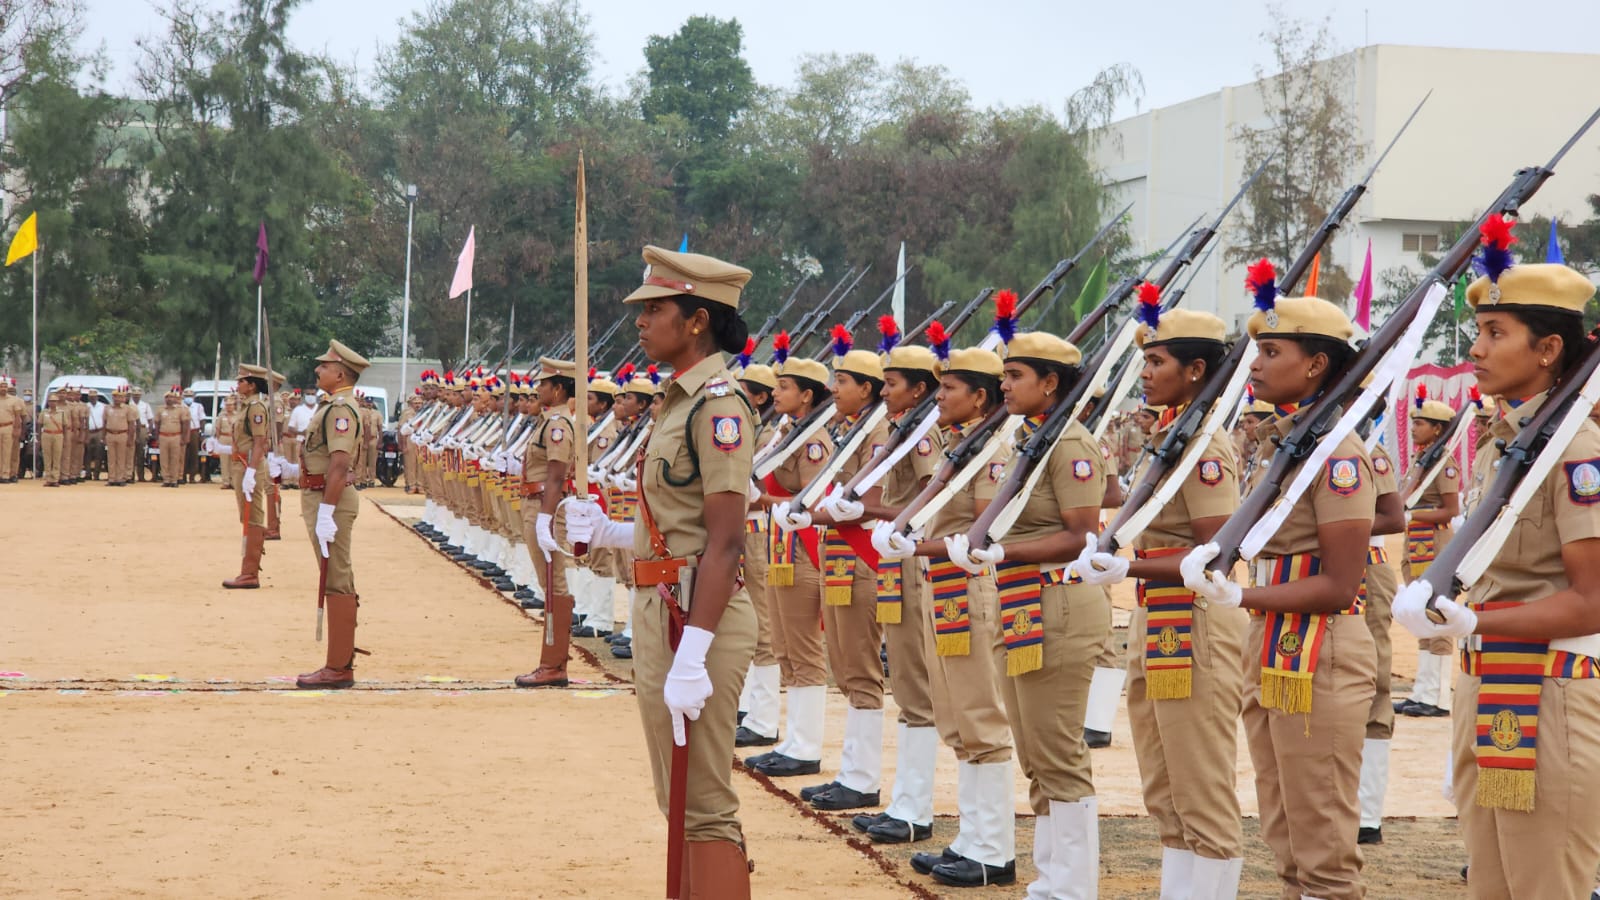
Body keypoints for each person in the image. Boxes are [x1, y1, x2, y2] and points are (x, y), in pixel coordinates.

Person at [1395, 258, 1600, 899]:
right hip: (1484, 681)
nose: (1476, 350)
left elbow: (1592, 602)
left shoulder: (1576, 451)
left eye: (1495, 332)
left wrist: (1479, 620)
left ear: (1549, 349)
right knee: (1491, 883)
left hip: (1550, 692)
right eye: (1478, 330)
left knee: (1543, 886)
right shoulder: (1499, 445)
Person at [565, 244, 760, 896]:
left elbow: (726, 542)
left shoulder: (718, 407)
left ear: (697, 319)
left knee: (702, 802)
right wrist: (608, 532)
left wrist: (695, 652)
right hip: (663, 606)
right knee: (674, 794)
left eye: (655, 309)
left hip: (695, 617)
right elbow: (673, 529)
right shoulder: (676, 403)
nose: (641, 322)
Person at [1182, 280, 1377, 900]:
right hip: (1273, 641)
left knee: (1320, 838)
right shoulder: (1288, 447)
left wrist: (1242, 598)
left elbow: (1341, 582)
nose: (1256, 364)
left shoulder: (1337, 456)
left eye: (1272, 352)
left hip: (1320, 647)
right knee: (1285, 830)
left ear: (1316, 364)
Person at [1074, 302, 1247, 897]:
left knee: (1201, 786)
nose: (1143, 372)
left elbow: (1215, 554)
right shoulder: (1170, 435)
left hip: (1195, 624)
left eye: (1156, 361)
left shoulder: (1205, 450)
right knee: (1165, 786)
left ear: (1196, 371)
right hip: (1158, 616)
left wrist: (1129, 563)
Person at [946, 331, 1111, 896]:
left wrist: (1005, 551)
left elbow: (1082, 535)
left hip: (1059, 601)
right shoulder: (1033, 440)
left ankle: (1073, 886)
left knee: (1058, 751)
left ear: (1051, 383)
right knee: (1036, 753)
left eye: (1015, 375)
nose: (1003, 384)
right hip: (1023, 601)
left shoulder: (1069, 446)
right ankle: (1051, 881)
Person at [874, 345, 1019, 885]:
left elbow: (986, 524)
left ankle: (994, 849)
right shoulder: (963, 445)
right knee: (957, 720)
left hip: (970, 587)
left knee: (980, 718)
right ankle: (972, 837)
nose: (939, 397)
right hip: (945, 587)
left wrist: (915, 542)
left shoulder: (993, 451)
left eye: (950, 388)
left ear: (979, 397)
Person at [823, 339, 942, 840]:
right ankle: (901, 800)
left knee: (916, 687)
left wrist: (867, 512)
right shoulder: (900, 429)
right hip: (894, 563)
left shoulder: (919, 437)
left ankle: (915, 807)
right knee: (905, 685)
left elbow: (937, 500)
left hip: (913, 564)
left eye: (893, 384)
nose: (886, 392)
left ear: (919, 389)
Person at [776, 337, 893, 813]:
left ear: (867, 388)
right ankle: (850, 772)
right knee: (844, 668)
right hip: (838, 556)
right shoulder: (849, 427)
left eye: (842, 381)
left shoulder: (879, 431)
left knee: (861, 670)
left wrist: (825, 515)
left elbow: (875, 498)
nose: (833, 388)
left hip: (861, 557)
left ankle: (863, 778)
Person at [744, 349, 834, 780]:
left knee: (802, 649)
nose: (776, 393)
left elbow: (814, 499)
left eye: (784, 387)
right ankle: (795, 740)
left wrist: (762, 499)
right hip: (780, 545)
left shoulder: (814, 442)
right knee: (784, 648)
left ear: (807, 396)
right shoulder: (790, 433)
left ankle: (807, 745)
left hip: (804, 547)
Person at [297, 340, 369, 689]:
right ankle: (338, 662)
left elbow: (339, 465)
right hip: (322, 496)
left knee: (336, 577)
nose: (317, 370)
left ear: (340, 373)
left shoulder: (341, 409)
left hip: (332, 500)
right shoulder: (330, 406)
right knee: (333, 577)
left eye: (324, 366)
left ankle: (339, 666)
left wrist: (326, 511)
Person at [1396, 388, 1462, 719]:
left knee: (1435, 616)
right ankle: (1422, 692)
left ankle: (1437, 697)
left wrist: (1412, 515)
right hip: (1416, 542)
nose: (1414, 428)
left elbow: (1450, 509)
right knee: (1420, 617)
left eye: (1420, 423)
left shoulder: (1443, 466)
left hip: (1434, 545)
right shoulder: (1423, 462)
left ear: (1437, 429)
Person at [513, 357, 578, 688]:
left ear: (559, 389)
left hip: (544, 504)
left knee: (554, 584)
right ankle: (552, 662)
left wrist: (545, 518)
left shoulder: (557, 425)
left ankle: (554, 665)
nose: (537, 389)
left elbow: (556, 476)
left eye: (543, 384)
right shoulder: (547, 421)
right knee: (548, 582)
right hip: (536, 502)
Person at [733, 362, 780, 747]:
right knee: (743, 622)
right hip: (741, 530)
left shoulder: (771, 437)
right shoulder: (751, 431)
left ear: (760, 398)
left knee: (763, 627)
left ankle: (764, 718)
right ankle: (748, 705)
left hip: (761, 533)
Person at [225, 365, 276, 590]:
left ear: (252, 384)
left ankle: (250, 573)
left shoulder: (256, 407)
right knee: (245, 516)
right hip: (241, 464)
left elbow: (259, 442)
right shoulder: (245, 406)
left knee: (252, 517)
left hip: (248, 465)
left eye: (241, 381)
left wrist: (252, 472)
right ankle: (248, 569)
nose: (238, 385)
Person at [103, 386, 138, 486]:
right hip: (110, 434)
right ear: (113, 398)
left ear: (124, 398)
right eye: (115, 397)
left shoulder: (128, 409)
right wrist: (103, 436)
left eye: (120, 397)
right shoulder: (107, 408)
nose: (118, 399)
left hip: (122, 434)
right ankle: (112, 478)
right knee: (111, 458)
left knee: (121, 458)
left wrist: (130, 438)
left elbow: (131, 424)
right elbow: (104, 422)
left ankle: (120, 479)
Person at [156, 388, 190, 487]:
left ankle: (174, 480)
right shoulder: (160, 409)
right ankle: (166, 479)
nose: (169, 399)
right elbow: (157, 424)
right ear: (164, 399)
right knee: (164, 459)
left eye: (171, 397)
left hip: (176, 436)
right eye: (167, 397)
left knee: (175, 458)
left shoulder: (180, 410)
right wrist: (157, 438)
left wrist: (184, 438)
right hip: (163, 436)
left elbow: (185, 424)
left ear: (175, 399)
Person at [38, 389, 65, 487]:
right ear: (48, 402)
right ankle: (49, 478)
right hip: (46, 435)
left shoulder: (62, 412)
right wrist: (39, 438)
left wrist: (64, 438)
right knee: (47, 457)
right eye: (51, 401)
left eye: (55, 401)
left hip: (58, 435)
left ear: (57, 402)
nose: (53, 403)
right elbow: (39, 425)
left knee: (57, 457)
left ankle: (55, 479)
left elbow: (65, 426)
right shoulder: (44, 412)